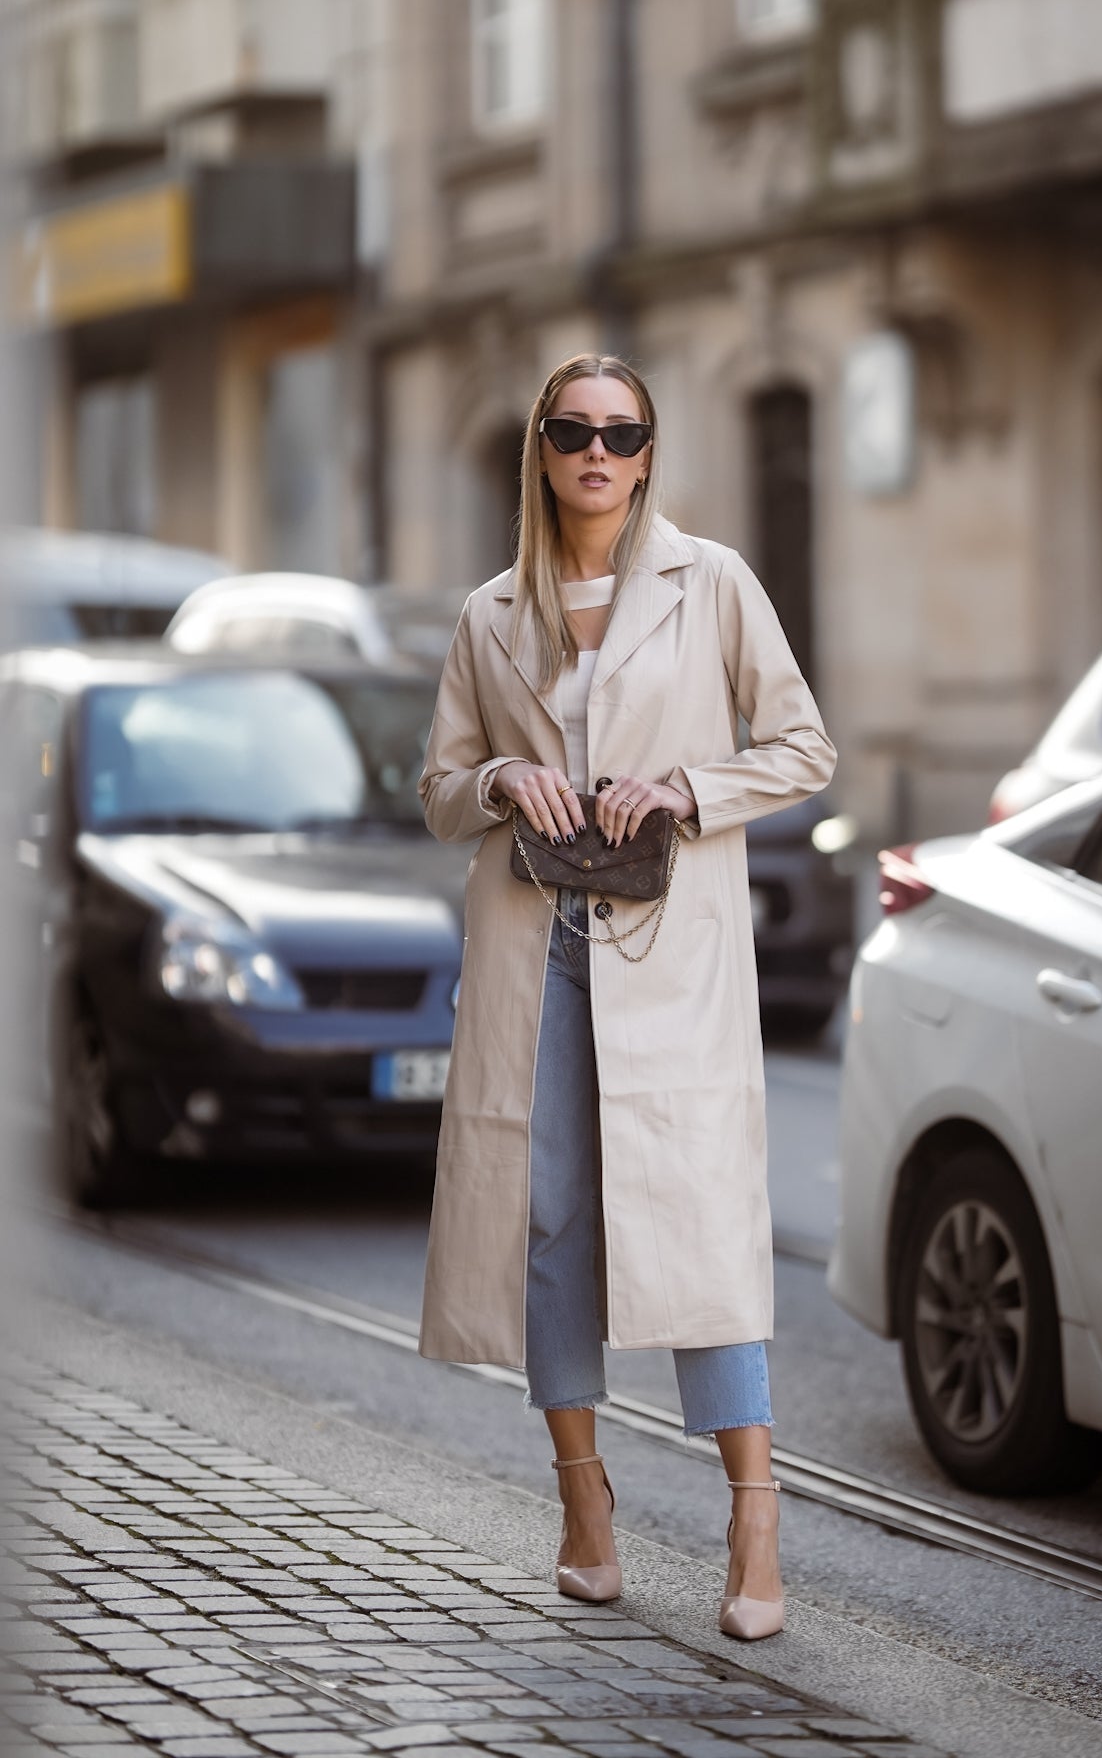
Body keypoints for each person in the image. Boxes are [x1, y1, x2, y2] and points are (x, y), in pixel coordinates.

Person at [417, 352, 836, 1640]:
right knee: (550, 1222)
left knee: (702, 1221)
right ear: (540, 451)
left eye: (624, 431)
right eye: (574, 430)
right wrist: (499, 782)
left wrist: (687, 790)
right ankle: (583, 1505)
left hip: (671, 951)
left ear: (648, 453)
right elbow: (436, 792)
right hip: (535, 944)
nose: (599, 451)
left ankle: (754, 1524)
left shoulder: (713, 585)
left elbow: (801, 746)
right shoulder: (492, 614)